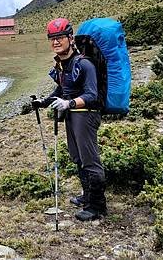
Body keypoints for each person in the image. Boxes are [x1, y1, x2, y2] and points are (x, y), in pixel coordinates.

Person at [36, 17, 107, 221]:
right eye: (52, 38)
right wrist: (43, 102)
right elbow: (62, 89)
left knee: (90, 161)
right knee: (77, 158)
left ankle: (97, 207)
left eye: (60, 37)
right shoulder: (63, 65)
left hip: (86, 116)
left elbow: (92, 95)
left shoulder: (84, 64)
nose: (56, 42)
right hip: (72, 117)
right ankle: (87, 196)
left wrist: (69, 103)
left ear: (70, 38)